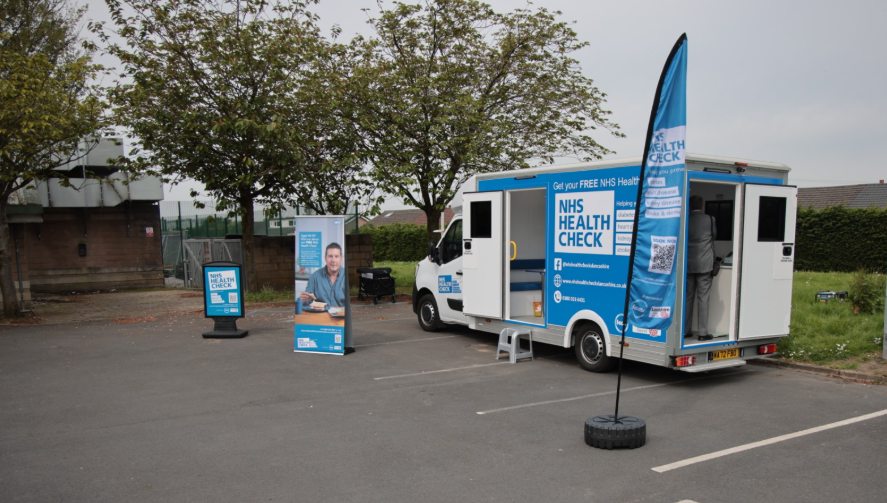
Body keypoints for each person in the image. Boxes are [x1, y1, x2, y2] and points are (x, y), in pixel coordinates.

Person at [685, 195, 716, 341]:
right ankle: (703, 333)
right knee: (703, 298)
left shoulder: (685, 219)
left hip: (688, 265)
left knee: (688, 297)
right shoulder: (710, 219)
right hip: (705, 264)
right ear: (702, 206)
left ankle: (686, 330)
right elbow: (714, 236)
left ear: (689, 206)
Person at [300, 242, 347, 307]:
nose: (333, 260)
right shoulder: (314, 277)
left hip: (341, 316)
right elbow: (306, 302)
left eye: (336, 256)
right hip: (321, 315)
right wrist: (303, 300)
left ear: (341, 258)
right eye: (330, 256)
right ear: (325, 258)